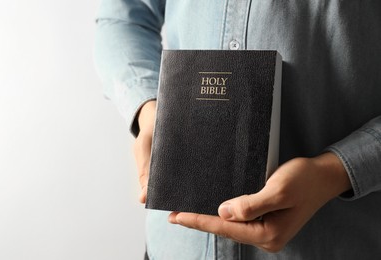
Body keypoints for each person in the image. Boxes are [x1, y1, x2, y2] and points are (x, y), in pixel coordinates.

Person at [94, 1, 381, 259]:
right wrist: (148, 109)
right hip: (175, 247)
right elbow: (123, 17)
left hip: (333, 242)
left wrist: (334, 172)